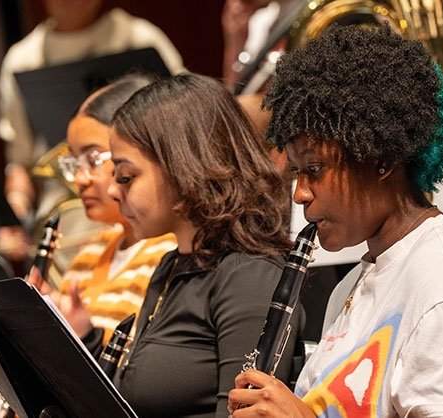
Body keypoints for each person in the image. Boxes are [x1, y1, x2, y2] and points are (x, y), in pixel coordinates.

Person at [227, 26, 443, 417]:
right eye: (296, 172)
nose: (300, 193)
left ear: (382, 160)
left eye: (314, 169)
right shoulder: (353, 286)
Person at [100, 73, 296, 418]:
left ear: (183, 167)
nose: (114, 190)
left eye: (126, 176)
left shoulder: (249, 275)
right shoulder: (171, 265)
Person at [0, 0, 185, 226]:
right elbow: (20, 159)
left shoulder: (138, 36)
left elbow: (183, 119)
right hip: (64, 206)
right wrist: (16, 209)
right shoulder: (23, 58)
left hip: (139, 195)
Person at [45, 74, 176, 344]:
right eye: (73, 163)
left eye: (93, 159)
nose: (80, 178)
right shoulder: (90, 253)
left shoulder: (169, 252)